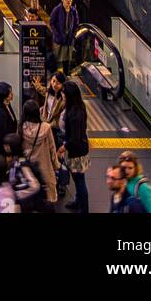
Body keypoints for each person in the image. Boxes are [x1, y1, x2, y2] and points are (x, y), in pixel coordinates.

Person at [59, 78, 90, 213]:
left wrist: (64, 146)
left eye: (64, 93)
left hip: (77, 152)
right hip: (79, 149)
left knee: (79, 181)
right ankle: (78, 201)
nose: (62, 95)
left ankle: (83, 208)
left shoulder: (74, 114)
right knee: (78, 179)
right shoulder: (78, 107)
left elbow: (75, 138)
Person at [19, 99, 58, 205]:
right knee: (48, 198)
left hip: (28, 168)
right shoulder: (46, 128)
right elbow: (52, 148)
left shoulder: (21, 127)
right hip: (45, 166)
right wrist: (55, 165)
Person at [49, 0, 79, 72]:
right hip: (59, 40)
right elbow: (51, 23)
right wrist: (57, 34)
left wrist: (73, 35)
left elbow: (76, 24)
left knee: (67, 61)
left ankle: (66, 77)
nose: (68, 1)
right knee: (57, 60)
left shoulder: (73, 11)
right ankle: (54, 77)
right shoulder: (57, 9)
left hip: (69, 40)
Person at [0, 81, 17, 156]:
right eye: (10, 93)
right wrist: (8, 152)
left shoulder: (7, 104)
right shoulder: (0, 111)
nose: (12, 94)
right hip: (4, 149)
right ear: (4, 96)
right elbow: (2, 135)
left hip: (10, 142)